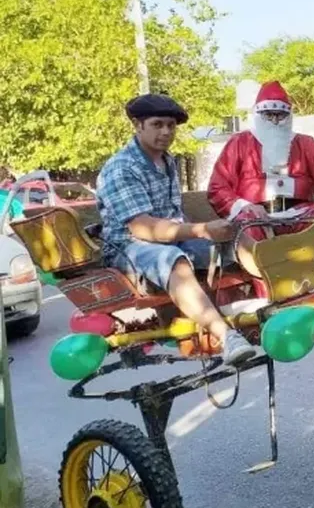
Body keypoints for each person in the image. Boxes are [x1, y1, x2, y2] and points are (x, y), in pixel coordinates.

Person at [96, 93, 259, 366]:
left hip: (170, 238)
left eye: (171, 125)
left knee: (240, 236)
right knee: (173, 261)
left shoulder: (167, 161)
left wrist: (217, 233)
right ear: (138, 125)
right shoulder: (121, 168)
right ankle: (227, 337)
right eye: (157, 124)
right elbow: (143, 228)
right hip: (128, 246)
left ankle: (271, 303)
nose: (166, 132)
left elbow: (173, 216)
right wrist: (202, 229)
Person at [207, 81, 314, 231]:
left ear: (289, 115)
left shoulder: (305, 144)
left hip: (301, 214)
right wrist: (244, 207)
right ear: (258, 116)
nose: (275, 121)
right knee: (250, 226)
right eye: (269, 115)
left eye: (280, 115)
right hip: (255, 217)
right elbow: (218, 188)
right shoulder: (240, 142)